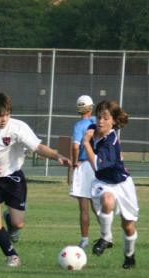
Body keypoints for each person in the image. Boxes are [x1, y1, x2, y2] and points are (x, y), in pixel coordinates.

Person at [0, 91, 71, 267]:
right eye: (0, 115)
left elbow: (37, 147)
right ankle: (12, 256)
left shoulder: (18, 127)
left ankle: (11, 221)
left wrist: (56, 156)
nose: (4, 119)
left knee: (18, 223)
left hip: (14, 177)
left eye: (7, 114)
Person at [82, 100, 139, 269]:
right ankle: (105, 238)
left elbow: (97, 165)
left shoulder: (110, 141)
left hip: (122, 183)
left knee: (128, 226)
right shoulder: (93, 129)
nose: (100, 121)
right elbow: (100, 171)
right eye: (99, 117)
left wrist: (86, 143)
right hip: (103, 182)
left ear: (113, 121)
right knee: (107, 200)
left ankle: (129, 256)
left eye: (105, 118)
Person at [69, 95, 97, 249]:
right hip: (97, 164)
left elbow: (75, 146)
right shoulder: (97, 122)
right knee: (97, 204)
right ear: (91, 108)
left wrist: (74, 162)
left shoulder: (79, 125)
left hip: (84, 165)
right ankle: (106, 236)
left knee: (84, 206)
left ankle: (85, 239)